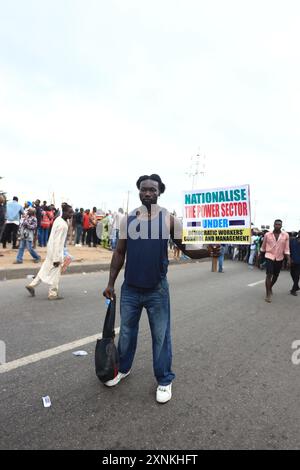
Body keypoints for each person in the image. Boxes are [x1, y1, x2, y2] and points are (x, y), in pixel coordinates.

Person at [102, 173, 219, 404]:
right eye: (144, 189)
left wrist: (209, 251)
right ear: (139, 191)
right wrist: (110, 283)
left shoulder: (168, 220)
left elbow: (186, 248)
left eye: (152, 190)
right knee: (126, 333)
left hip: (157, 290)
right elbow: (119, 253)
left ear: (159, 192)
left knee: (161, 337)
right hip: (130, 290)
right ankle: (123, 368)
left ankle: (164, 380)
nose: (147, 193)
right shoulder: (128, 219)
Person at [25, 204, 74, 300]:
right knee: (56, 273)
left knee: (44, 268)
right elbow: (57, 241)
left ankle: (32, 285)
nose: (71, 214)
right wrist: (57, 259)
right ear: (64, 212)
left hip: (50, 249)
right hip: (56, 252)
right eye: (70, 212)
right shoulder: (62, 225)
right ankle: (53, 293)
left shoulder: (58, 220)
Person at [259, 219, 290, 303]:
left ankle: (270, 287)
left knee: (276, 275)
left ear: (281, 226)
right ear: (273, 225)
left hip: (279, 258)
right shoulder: (267, 235)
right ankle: (268, 294)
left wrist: (288, 259)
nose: (277, 226)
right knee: (269, 274)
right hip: (269, 256)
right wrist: (260, 258)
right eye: (276, 224)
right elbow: (263, 246)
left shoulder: (285, 235)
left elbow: (287, 249)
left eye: (279, 224)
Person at [289, 231, 300, 296]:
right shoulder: (293, 240)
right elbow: (289, 249)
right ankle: (297, 286)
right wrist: (289, 258)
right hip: (292, 260)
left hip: (299, 262)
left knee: (296, 275)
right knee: (292, 273)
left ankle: (293, 290)